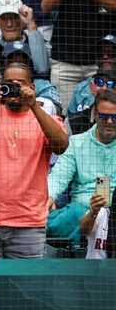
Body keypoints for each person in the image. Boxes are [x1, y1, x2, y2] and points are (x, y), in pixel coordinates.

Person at [0, 61, 69, 267]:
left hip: (28, 223)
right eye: (9, 83)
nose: (14, 89)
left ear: (32, 87)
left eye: (20, 83)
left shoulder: (47, 118)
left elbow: (61, 145)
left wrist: (34, 105)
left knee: (25, 293)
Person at [62, 90, 116, 257]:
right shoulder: (77, 142)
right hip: (83, 209)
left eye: (115, 117)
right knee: (74, 214)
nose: (109, 122)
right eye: (103, 116)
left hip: (114, 213)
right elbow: (59, 175)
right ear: (94, 113)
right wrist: (49, 196)